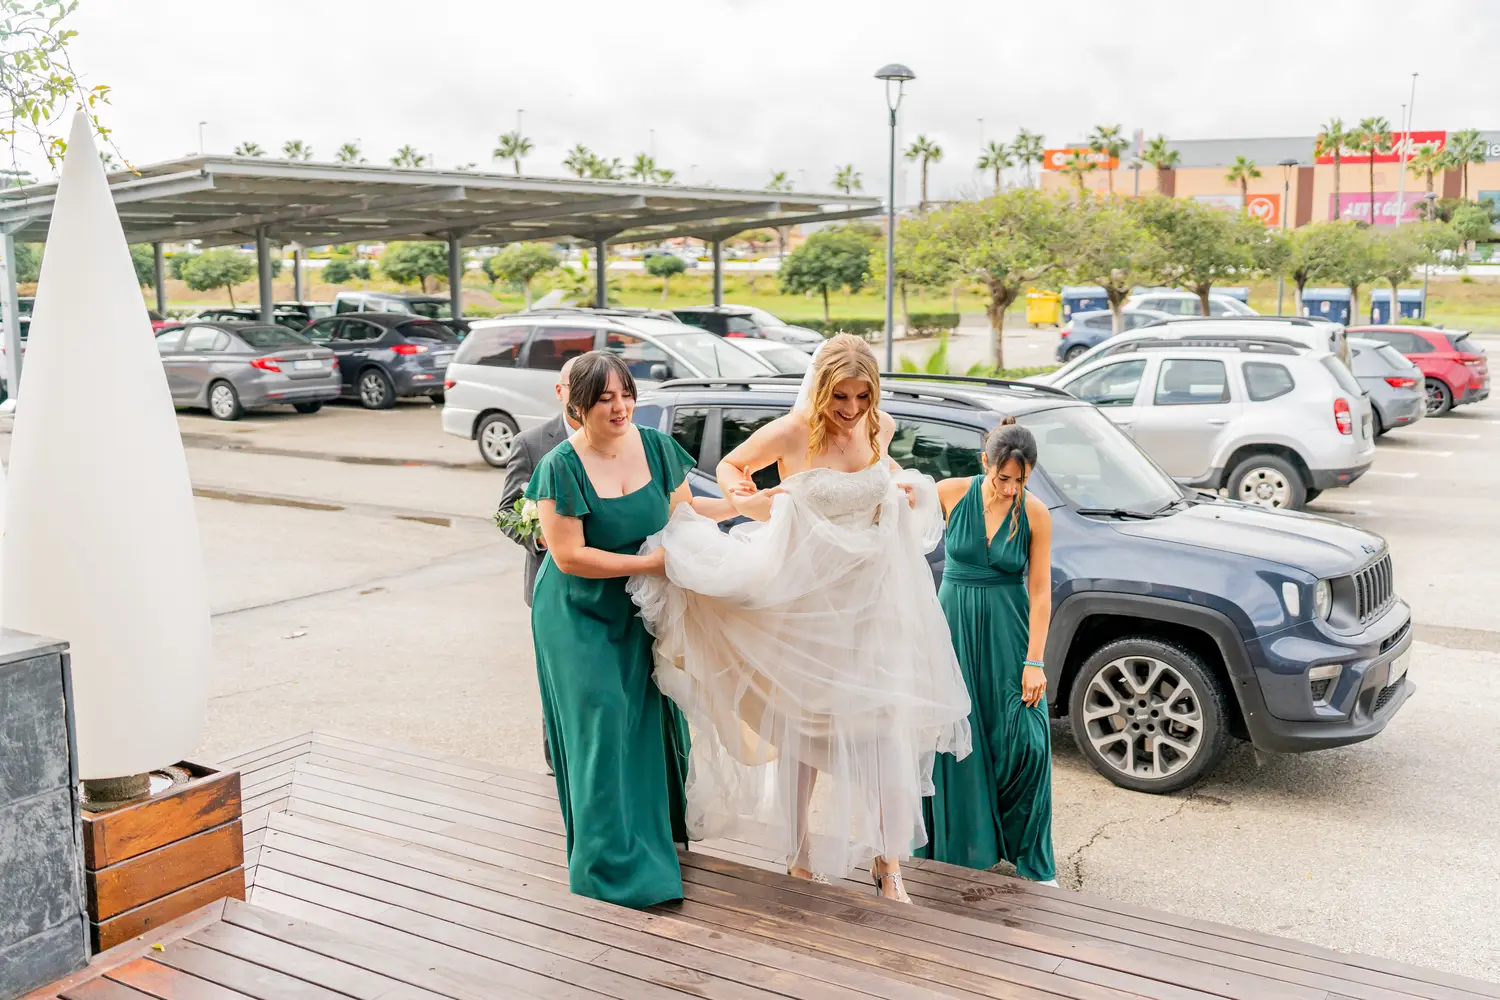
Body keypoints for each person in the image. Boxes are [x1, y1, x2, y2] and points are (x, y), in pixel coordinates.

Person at [629, 334, 972, 902]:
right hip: (806, 603)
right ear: (821, 388)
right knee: (801, 726)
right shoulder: (792, 431)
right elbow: (733, 465)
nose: (852, 409)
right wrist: (748, 499)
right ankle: (799, 855)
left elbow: (882, 470)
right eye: (841, 396)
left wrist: (902, 488)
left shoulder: (879, 426)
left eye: (862, 396)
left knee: (884, 726)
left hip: (873, 603)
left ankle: (888, 862)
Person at [525, 350, 733, 908]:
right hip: (576, 612)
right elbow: (569, 556)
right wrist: (650, 564)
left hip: (639, 609)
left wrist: (747, 507)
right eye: (604, 399)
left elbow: (684, 515)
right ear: (578, 406)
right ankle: (605, 864)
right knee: (602, 717)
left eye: (626, 395)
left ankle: (651, 838)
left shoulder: (658, 448)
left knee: (640, 720)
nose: (620, 407)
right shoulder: (560, 467)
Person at [919, 419, 1057, 886]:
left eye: (1022, 479)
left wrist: (1034, 661)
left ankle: (1031, 855)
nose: (1012, 488)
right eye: (1004, 478)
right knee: (952, 735)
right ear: (985, 463)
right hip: (952, 630)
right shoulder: (949, 493)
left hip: (1008, 635)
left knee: (1027, 742)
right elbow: (893, 527)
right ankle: (960, 848)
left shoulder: (1035, 513)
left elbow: (1041, 592)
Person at [498, 357, 578, 775]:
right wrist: (541, 538)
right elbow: (507, 512)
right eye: (576, 386)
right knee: (558, 676)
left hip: (605, 579)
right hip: (551, 581)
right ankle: (556, 759)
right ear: (560, 391)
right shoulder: (531, 443)